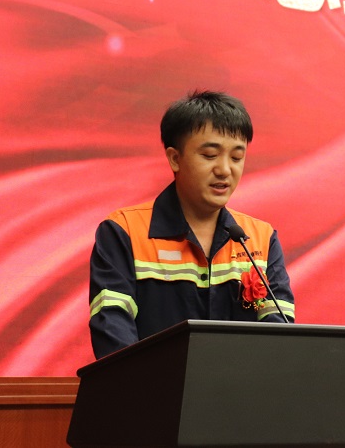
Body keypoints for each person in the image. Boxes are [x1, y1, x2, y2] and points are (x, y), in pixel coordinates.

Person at [88, 90, 295, 359]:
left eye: (236, 157)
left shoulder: (260, 238)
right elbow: (112, 329)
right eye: (209, 155)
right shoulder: (124, 231)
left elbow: (280, 339)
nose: (225, 170)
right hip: (152, 385)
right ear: (175, 158)